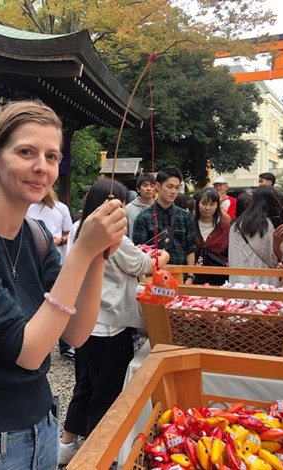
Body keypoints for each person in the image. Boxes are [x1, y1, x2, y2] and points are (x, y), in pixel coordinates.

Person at [0, 100, 126, 470]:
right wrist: (81, 251)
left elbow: (79, 334)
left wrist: (98, 256)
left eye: (51, 156)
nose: (41, 167)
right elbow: (29, 351)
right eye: (26, 152)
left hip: (41, 424)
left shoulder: (37, 236)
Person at [59, 179, 170, 465]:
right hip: (109, 325)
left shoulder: (79, 227)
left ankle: (68, 444)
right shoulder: (114, 236)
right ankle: (97, 454)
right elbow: (140, 265)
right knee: (106, 393)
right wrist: (161, 256)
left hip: (84, 323)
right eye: (119, 205)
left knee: (83, 385)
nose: (121, 212)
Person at [27, 195, 74, 358]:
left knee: (59, 300)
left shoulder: (61, 207)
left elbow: (69, 233)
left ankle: (65, 344)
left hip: (56, 258)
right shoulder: (28, 205)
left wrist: (59, 240)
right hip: (31, 259)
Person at [132, 166, 196, 275]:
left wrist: (190, 276)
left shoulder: (186, 217)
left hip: (180, 276)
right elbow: (138, 252)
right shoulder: (143, 218)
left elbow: (190, 249)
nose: (173, 191)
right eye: (169, 186)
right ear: (158, 186)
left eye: (177, 187)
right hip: (153, 277)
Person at [229, 186, 283, 286]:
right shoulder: (267, 225)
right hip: (262, 283)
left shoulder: (236, 224)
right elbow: (272, 261)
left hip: (237, 282)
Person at [192, 187, 230, 285]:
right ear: (197, 204)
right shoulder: (189, 226)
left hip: (220, 281)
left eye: (212, 204)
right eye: (204, 203)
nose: (207, 208)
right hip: (193, 280)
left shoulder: (226, 228)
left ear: (217, 206)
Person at [125, 172, 155, 237]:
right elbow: (124, 235)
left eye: (152, 186)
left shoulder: (160, 208)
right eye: (145, 185)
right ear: (138, 189)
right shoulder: (128, 209)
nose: (148, 189)